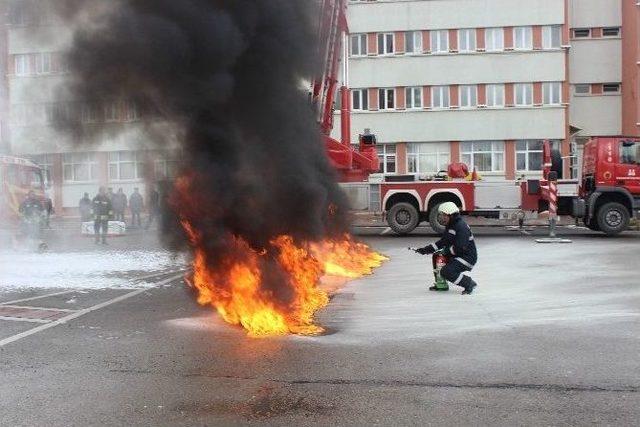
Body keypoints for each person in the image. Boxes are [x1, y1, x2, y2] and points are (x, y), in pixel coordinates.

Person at [416, 202, 478, 295]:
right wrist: (425, 250)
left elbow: (461, 247)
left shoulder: (461, 227)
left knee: (447, 271)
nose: (442, 218)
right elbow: (442, 242)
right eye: (441, 215)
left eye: (444, 215)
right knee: (437, 256)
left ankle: (469, 283)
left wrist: (446, 251)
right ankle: (441, 284)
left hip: (467, 257)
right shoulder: (451, 225)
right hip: (458, 254)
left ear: (451, 215)